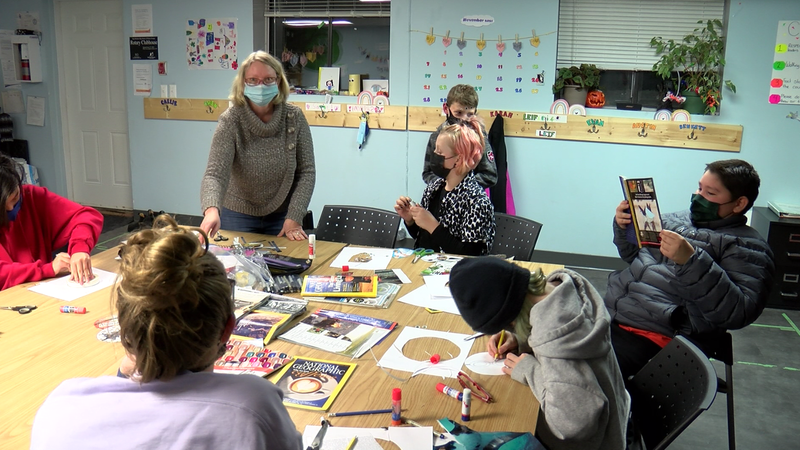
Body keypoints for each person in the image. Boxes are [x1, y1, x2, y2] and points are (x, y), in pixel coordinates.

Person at [31, 215, 302, 450]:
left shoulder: (61, 407)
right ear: (227, 329)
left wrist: (127, 369)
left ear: (124, 327)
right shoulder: (254, 406)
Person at [605, 159, 775, 380]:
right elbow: (632, 256)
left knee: (588, 369)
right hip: (612, 316)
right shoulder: (673, 220)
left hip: (660, 336)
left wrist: (692, 261)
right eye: (699, 188)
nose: (698, 197)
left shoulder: (748, 247)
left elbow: (738, 313)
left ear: (739, 203)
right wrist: (623, 226)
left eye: (710, 193)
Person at [449, 257, 629, 450]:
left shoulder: (559, 347)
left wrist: (529, 370)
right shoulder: (563, 293)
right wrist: (521, 337)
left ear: (512, 317)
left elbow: (572, 426)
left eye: (509, 324)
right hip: (615, 417)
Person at [200, 50, 315, 241]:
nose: (261, 86)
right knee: (237, 260)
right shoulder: (231, 120)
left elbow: (306, 172)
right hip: (237, 213)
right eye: (253, 80)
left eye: (268, 79)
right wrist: (211, 210)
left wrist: (295, 216)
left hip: (283, 215)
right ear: (242, 83)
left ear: (278, 81)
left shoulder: (294, 117)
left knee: (286, 258)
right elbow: (215, 174)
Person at [0, 153, 103, 290]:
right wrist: (47, 269)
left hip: (43, 289)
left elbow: (85, 216)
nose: (11, 208)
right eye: (2, 207)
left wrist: (80, 248)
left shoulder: (31, 197)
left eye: (15, 198)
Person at [396, 118, 495, 255]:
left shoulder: (477, 201)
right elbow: (425, 238)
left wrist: (433, 226)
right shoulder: (434, 189)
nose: (435, 155)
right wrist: (411, 221)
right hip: (426, 262)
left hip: (456, 268)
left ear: (458, 159)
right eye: (435, 150)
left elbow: (471, 255)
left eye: (440, 152)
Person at [422, 84, 497, 189]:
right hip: (441, 194)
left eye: (469, 114)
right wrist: (445, 187)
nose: (464, 119)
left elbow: (490, 175)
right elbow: (428, 172)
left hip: (469, 196)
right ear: (446, 108)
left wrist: (461, 187)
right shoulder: (436, 137)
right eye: (458, 113)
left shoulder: (479, 137)